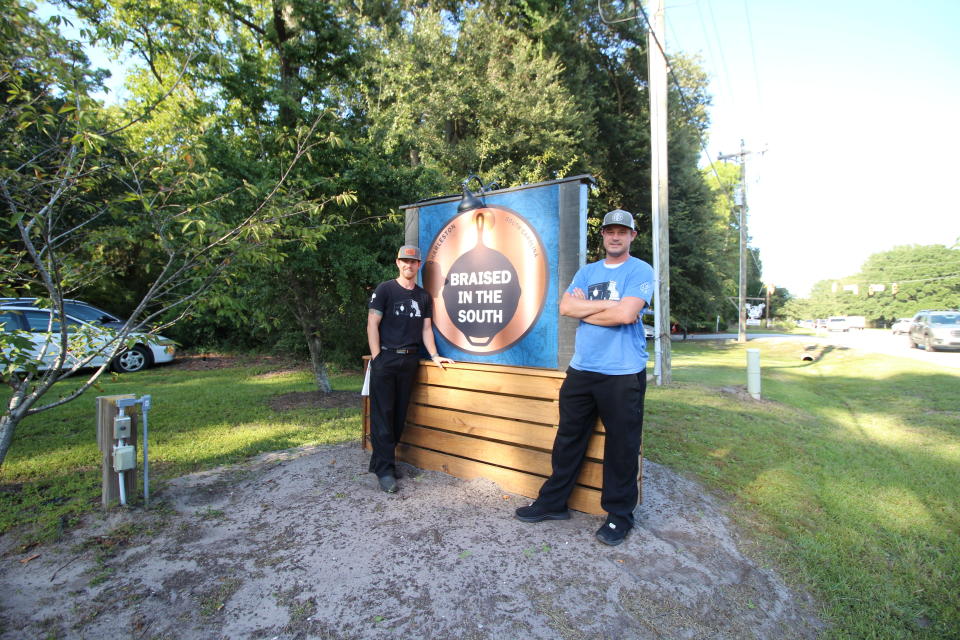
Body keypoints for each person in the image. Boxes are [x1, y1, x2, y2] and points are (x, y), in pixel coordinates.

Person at [515, 209, 653, 546]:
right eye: (610, 231)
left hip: (622, 375)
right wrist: (609, 309)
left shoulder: (640, 270)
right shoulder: (587, 271)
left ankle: (619, 517)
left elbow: (626, 314)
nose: (615, 237)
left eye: (623, 231)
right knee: (568, 440)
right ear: (603, 236)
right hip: (582, 370)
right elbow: (565, 308)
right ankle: (553, 502)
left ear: (632, 236)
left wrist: (589, 308)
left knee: (622, 447)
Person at [367, 245, 454, 493]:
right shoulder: (385, 289)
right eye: (404, 261)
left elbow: (427, 330)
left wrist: (435, 355)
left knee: (398, 415)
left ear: (418, 265)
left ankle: (380, 462)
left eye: (413, 262)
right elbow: (372, 323)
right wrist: (377, 357)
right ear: (397, 263)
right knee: (383, 414)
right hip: (386, 359)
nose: (408, 265)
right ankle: (385, 471)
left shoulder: (424, 296)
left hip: (410, 360)